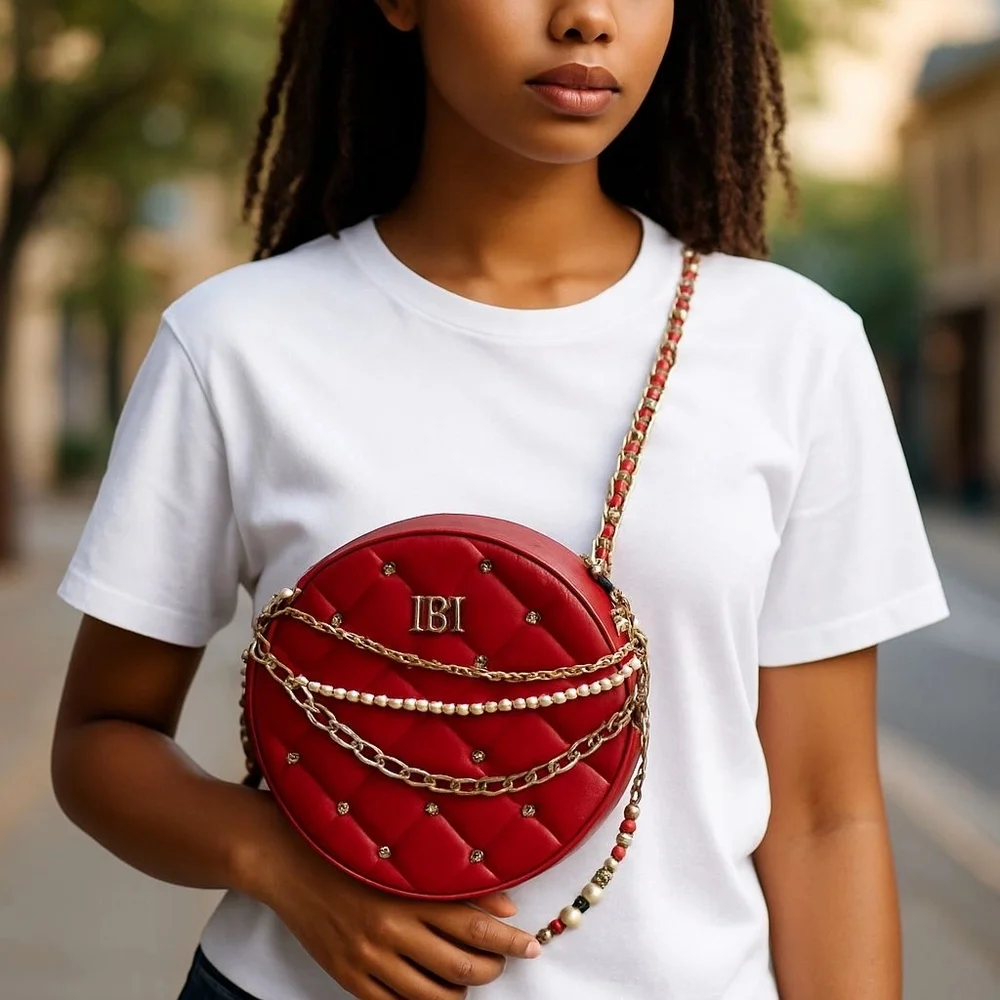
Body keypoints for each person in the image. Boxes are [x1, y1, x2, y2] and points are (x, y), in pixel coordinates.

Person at [50, 2, 950, 999]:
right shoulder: (236, 342)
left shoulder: (794, 349)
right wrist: (282, 865)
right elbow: (102, 738)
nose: (586, 17)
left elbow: (827, 813)